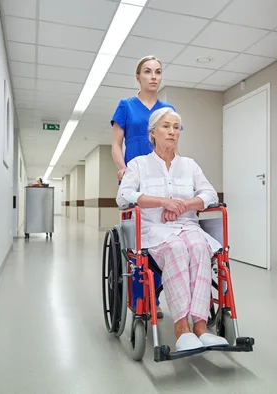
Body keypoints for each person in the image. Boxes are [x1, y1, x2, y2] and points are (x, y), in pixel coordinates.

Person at [116, 107, 229, 351]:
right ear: (153, 132)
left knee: (200, 248)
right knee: (176, 249)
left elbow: (209, 194)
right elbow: (123, 196)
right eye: (166, 126)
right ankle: (181, 328)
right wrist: (162, 202)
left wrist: (183, 205)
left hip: (187, 225)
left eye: (176, 127)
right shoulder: (138, 164)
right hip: (153, 229)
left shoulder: (189, 165)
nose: (172, 132)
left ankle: (200, 327)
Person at [111, 55, 176, 319]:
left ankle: (155, 297)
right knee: (138, 244)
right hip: (135, 179)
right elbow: (116, 144)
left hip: (160, 178)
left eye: (158, 72)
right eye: (147, 71)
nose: (153, 76)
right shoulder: (126, 106)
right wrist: (123, 167)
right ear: (138, 77)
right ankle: (140, 298)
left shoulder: (167, 109)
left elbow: (172, 143)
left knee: (161, 237)